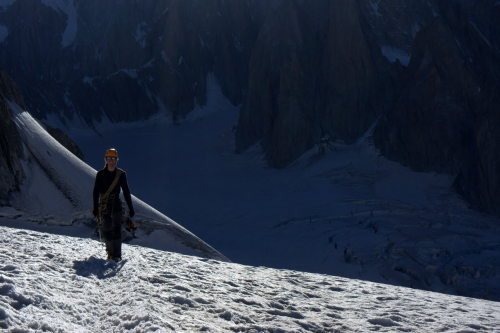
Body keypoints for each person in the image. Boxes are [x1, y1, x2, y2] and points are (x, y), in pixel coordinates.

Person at [92, 148, 135, 261]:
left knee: (116, 230)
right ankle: (110, 253)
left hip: (115, 205)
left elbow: (126, 191)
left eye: (113, 158)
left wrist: (131, 207)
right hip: (106, 206)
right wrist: (95, 207)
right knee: (107, 231)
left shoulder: (121, 174)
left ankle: (116, 255)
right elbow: (96, 191)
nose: (111, 160)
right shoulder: (100, 175)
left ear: (116, 160)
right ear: (106, 159)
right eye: (109, 158)